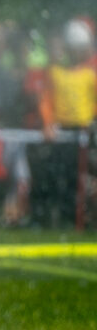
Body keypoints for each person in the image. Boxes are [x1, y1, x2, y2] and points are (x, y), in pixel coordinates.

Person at [34, 19, 96, 228]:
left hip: (85, 135)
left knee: (79, 179)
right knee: (59, 176)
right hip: (61, 133)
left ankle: (78, 218)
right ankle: (60, 217)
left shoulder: (90, 75)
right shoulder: (55, 73)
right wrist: (48, 123)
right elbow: (46, 101)